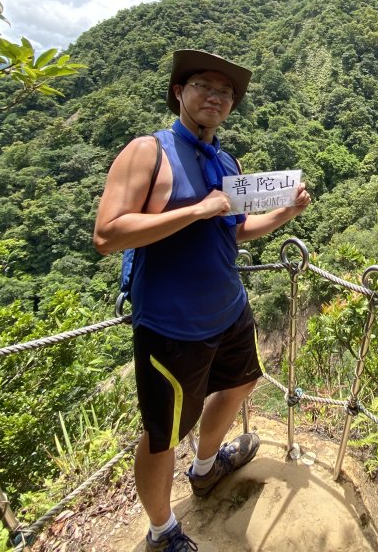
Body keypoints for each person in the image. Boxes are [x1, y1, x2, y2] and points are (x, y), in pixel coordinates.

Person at [93, 49, 311, 552]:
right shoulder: (148, 151)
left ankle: (207, 466)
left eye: (226, 92)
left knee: (243, 382)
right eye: (203, 86)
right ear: (178, 92)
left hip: (228, 308)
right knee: (161, 434)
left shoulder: (225, 160)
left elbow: (231, 232)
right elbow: (107, 234)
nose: (215, 96)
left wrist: (285, 215)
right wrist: (196, 211)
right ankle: (162, 530)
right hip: (171, 326)